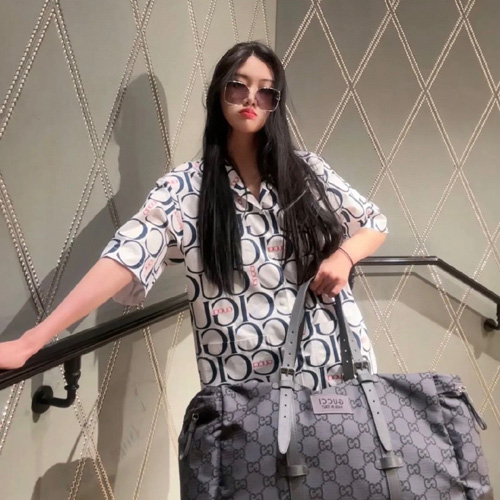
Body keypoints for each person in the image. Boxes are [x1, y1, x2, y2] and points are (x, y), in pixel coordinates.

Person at [0, 41, 387, 391]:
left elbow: (374, 222)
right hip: (245, 389)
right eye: (238, 86)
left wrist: (343, 257)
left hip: (331, 365)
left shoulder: (307, 172)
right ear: (219, 93)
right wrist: (32, 341)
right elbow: (128, 255)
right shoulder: (186, 188)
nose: (251, 99)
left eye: (265, 91)